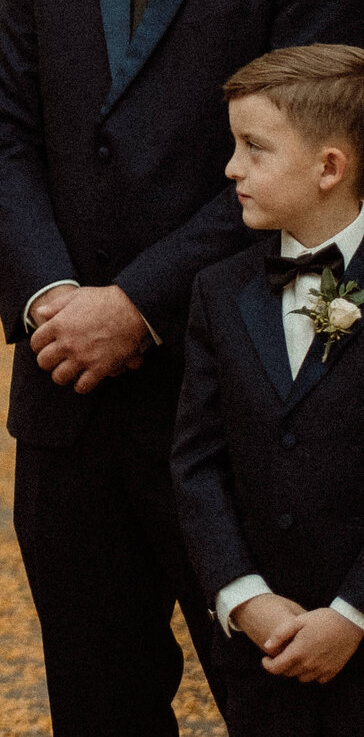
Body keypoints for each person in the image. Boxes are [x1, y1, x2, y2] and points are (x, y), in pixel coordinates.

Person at [0, 0, 364, 735]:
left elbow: (309, 164)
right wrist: (53, 302)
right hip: (66, 401)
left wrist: (135, 304)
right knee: (96, 708)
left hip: (236, 397)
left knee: (275, 708)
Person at [174, 45, 364, 734]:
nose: (231, 168)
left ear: (330, 167)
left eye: (255, 148)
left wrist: (350, 614)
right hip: (264, 658)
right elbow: (197, 462)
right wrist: (244, 598)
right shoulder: (218, 292)